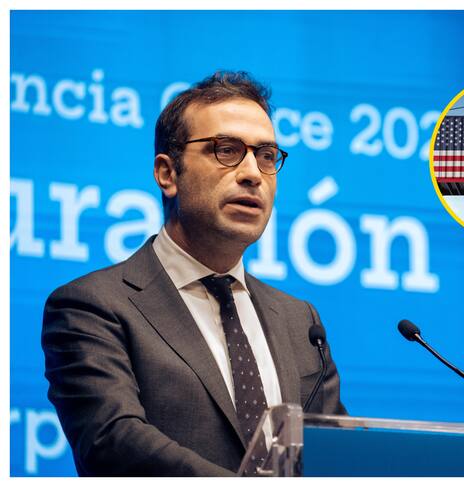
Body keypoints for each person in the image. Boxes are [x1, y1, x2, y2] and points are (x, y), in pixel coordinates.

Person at [41, 71, 346, 477]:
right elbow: (113, 442)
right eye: (226, 150)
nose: (253, 173)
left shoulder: (299, 322)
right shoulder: (93, 307)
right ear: (168, 173)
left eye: (266, 155)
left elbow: (338, 454)